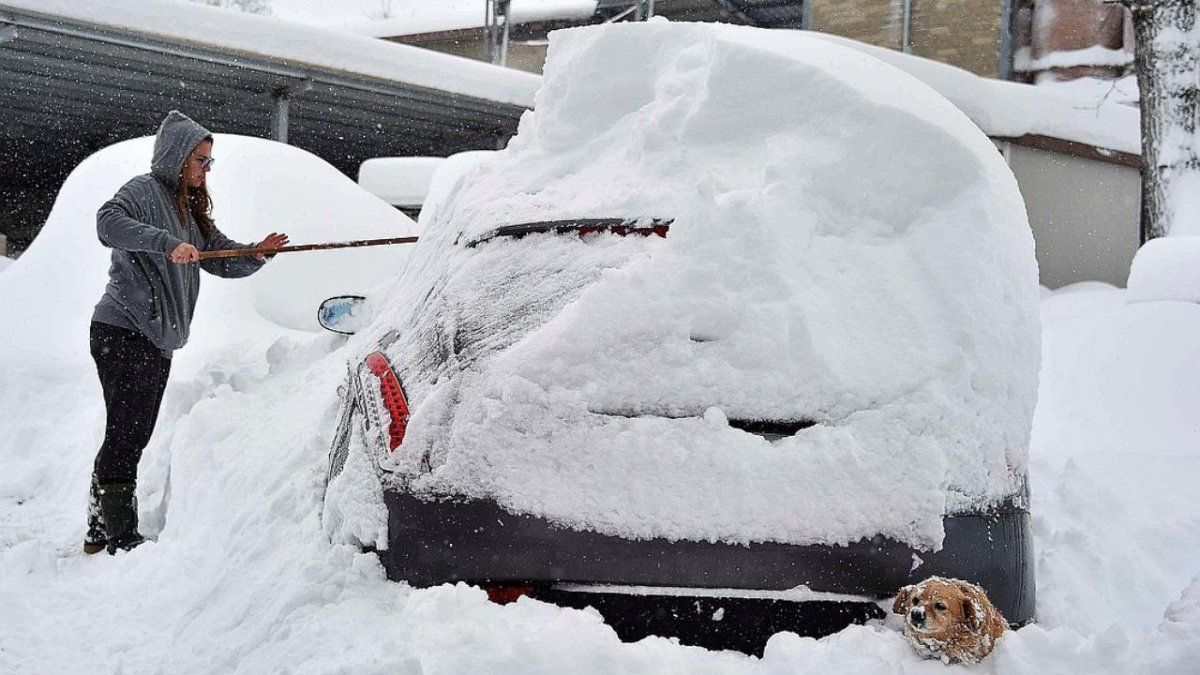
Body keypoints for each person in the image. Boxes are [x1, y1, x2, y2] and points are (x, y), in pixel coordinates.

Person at [85, 110, 289, 554]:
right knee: (128, 430)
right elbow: (107, 223)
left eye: (210, 162)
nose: (206, 169)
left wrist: (256, 254)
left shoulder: (189, 209)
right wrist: (165, 242)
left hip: (155, 336)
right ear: (177, 157)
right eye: (201, 159)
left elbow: (217, 255)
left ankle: (100, 528)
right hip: (122, 328)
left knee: (131, 429)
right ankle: (117, 533)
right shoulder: (142, 191)